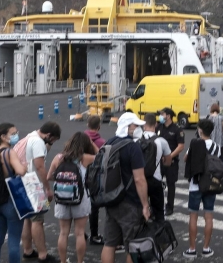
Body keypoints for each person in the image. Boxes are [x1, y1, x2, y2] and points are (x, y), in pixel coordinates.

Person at [101, 113, 151, 263]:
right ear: (128, 127)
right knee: (132, 246)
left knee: (109, 243)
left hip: (111, 199)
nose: (138, 128)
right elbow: (139, 179)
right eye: (135, 125)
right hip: (130, 202)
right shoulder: (133, 147)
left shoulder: (109, 142)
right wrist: (145, 205)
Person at [47, 133, 97, 263]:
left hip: (62, 198)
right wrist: (92, 143)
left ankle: (63, 261)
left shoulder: (59, 158)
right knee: (80, 233)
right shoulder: (85, 158)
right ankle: (80, 261)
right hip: (80, 198)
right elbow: (102, 155)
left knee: (63, 233)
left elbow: (49, 177)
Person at [16, 122, 61, 263]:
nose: (52, 143)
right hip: (33, 184)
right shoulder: (37, 142)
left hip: (21, 182)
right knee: (38, 220)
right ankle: (43, 255)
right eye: (53, 140)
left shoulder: (30, 137)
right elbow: (40, 167)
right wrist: (47, 188)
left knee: (28, 219)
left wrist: (49, 143)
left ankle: (28, 251)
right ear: (48, 135)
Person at [0, 123, 27, 263]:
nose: (17, 135)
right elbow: (20, 171)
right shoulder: (9, 152)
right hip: (11, 201)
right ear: (3, 137)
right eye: (13, 133)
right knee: (14, 241)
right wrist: (24, 167)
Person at [182, 119, 219, 258]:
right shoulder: (216, 146)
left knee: (193, 216)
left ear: (200, 130)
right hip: (210, 184)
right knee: (208, 216)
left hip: (195, 184)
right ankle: (206, 248)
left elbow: (186, 158)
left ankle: (192, 249)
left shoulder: (195, 144)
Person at [137, 113, 171, 222]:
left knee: (140, 210)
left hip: (140, 179)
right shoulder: (161, 141)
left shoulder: (136, 141)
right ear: (155, 124)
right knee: (159, 212)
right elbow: (168, 162)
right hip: (156, 179)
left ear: (144, 125)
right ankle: (159, 235)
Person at [157, 107, 185, 215]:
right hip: (159, 161)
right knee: (156, 184)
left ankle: (170, 207)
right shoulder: (159, 127)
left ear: (168, 116)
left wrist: (169, 157)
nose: (160, 116)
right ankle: (157, 206)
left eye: (162, 114)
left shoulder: (177, 129)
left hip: (171, 162)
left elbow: (181, 146)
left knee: (171, 185)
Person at [83, 116, 105, 245]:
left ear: (87, 124)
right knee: (94, 206)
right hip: (95, 176)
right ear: (99, 126)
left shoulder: (80, 139)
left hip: (81, 174)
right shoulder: (102, 142)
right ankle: (94, 234)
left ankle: (80, 230)